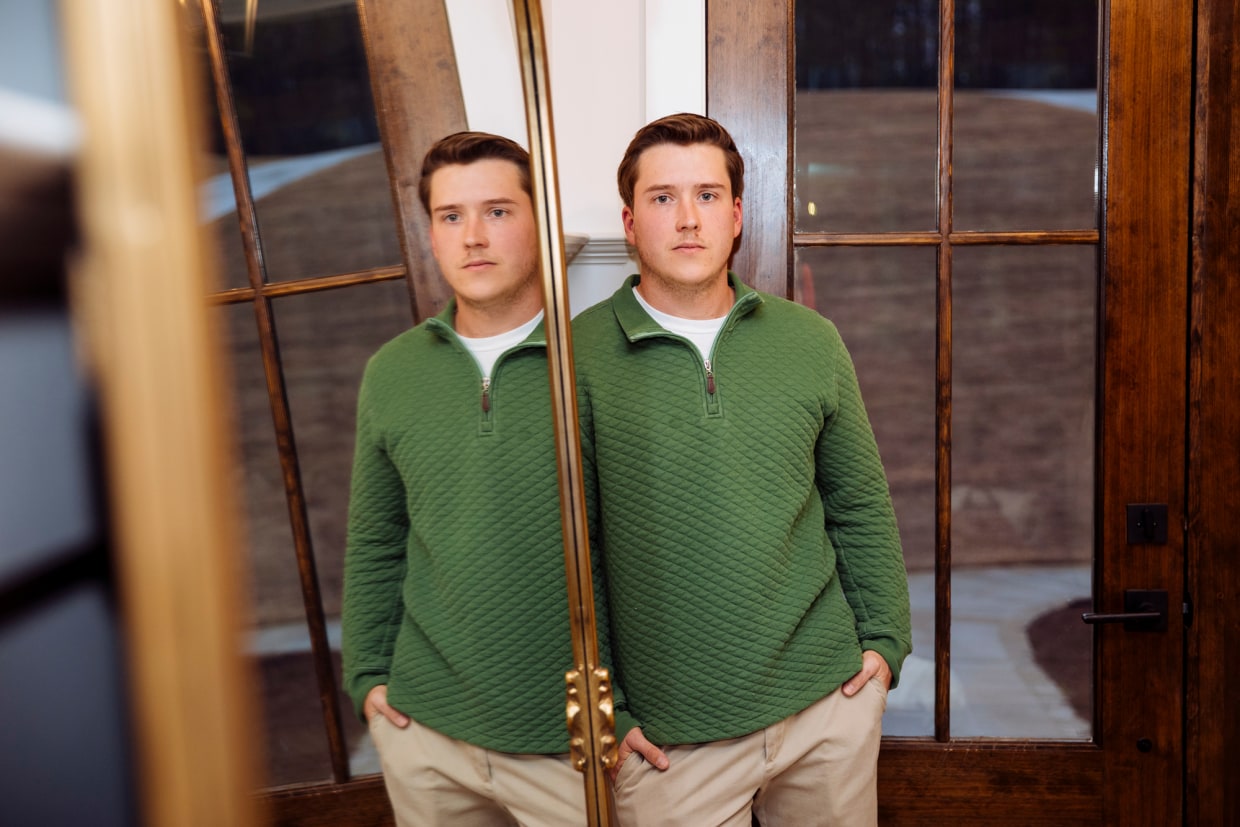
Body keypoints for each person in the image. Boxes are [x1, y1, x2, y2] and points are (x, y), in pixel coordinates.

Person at [573, 113, 912, 826]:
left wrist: (884, 641)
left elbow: (857, 502)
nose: (687, 218)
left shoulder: (809, 339)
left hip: (827, 708)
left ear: (736, 215)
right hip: (669, 744)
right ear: (631, 222)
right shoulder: (571, 360)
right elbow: (572, 552)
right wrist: (611, 713)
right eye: (663, 198)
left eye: (706, 195)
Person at [341, 131, 584, 826]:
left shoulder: (594, 358)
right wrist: (369, 676)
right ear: (431, 234)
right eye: (451, 216)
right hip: (427, 732)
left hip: (568, 744)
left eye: (498, 211)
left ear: (541, 221)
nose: (473, 236)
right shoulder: (392, 370)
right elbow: (377, 538)